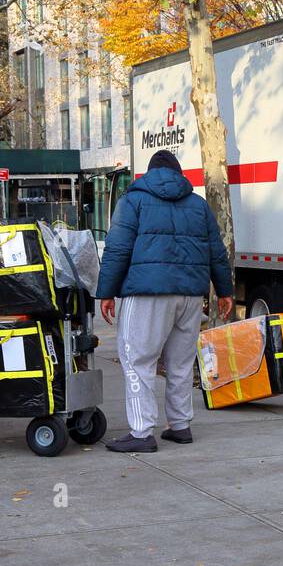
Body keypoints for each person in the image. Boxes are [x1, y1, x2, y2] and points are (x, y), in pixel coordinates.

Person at [96, 150, 234, 453]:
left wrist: (105, 291)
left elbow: (118, 248)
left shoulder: (133, 201)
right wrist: (225, 291)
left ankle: (142, 432)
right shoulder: (198, 205)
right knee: (181, 363)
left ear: (149, 173)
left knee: (136, 359)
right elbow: (216, 252)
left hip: (147, 294)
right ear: (179, 173)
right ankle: (180, 426)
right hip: (190, 296)